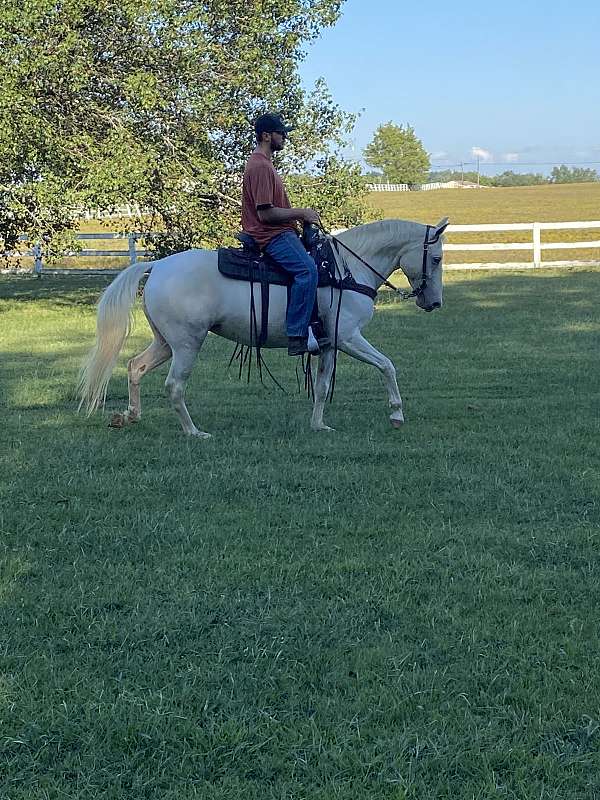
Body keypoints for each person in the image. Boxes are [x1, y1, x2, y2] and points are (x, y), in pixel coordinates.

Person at [241, 112, 328, 356]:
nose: (285, 137)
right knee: (306, 270)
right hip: (270, 234)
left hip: (279, 232)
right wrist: (301, 213)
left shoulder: (265, 164)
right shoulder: (259, 166)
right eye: (282, 133)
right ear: (267, 136)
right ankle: (297, 334)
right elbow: (265, 214)